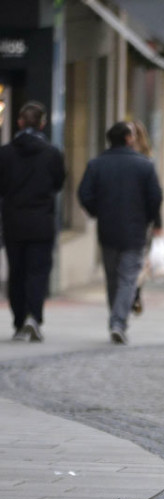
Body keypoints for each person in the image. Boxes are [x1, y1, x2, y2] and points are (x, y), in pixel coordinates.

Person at [78, 121, 163, 345]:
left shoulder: (97, 165)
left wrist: (98, 212)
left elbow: (84, 194)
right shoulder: (144, 165)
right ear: (128, 138)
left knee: (113, 278)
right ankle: (118, 321)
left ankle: (116, 319)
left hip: (107, 229)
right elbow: (155, 197)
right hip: (135, 230)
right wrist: (153, 221)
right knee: (128, 278)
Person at [0, 101, 66, 342]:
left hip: (13, 222)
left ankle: (19, 322)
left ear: (19, 122)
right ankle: (33, 317)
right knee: (37, 272)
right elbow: (59, 183)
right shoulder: (52, 153)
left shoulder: (5, 153)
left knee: (16, 273)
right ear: (42, 123)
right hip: (41, 221)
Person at [129, 120, 158, 316]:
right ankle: (130, 294)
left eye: (132, 134)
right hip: (122, 218)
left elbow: (154, 194)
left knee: (138, 260)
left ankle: (135, 293)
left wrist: (157, 223)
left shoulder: (146, 161)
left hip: (141, 219)